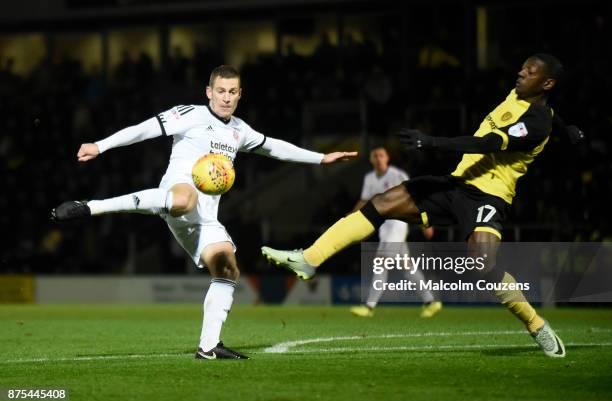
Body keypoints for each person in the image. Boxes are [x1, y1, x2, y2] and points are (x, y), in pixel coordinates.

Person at [262, 54, 584, 358]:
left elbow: (488, 144)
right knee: (383, 202)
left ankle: (535, 324)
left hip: (489, 196)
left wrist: (432, 142)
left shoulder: (538, 121)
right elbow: (553, 115)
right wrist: (567, 128)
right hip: (457, 183)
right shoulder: (525, 100)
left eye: (530, 71)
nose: (521, 73)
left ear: (547, 84)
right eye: (523, 67)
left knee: (483, 263)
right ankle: (308, 258)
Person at [51, 65, 356, 360]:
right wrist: (100, 146)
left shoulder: (239, 131)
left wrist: (321, 158)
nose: (226, 97)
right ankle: (92, 207)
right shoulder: (189, 114)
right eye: (220, 90)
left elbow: (274, 147)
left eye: (232, 92)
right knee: (185, 199)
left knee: (227, 268)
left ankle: (209, 347)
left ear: (240, 95)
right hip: (177, 194)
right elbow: (144, 129)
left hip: (206, 218)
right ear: (208, 92)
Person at [349, 146, 441, 318]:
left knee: (381, 262)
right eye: (374, 155)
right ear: (371, 160)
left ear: (387, 158)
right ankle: (431, 302)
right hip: (384, 225)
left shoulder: (397, 175)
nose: (378, 158)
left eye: (381, 155)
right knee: (408, 267)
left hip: (398, 223)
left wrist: (425, 222)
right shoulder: (369, 178)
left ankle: (369, 307)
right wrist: (350, 216)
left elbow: (414, 197)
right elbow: (363, 201)